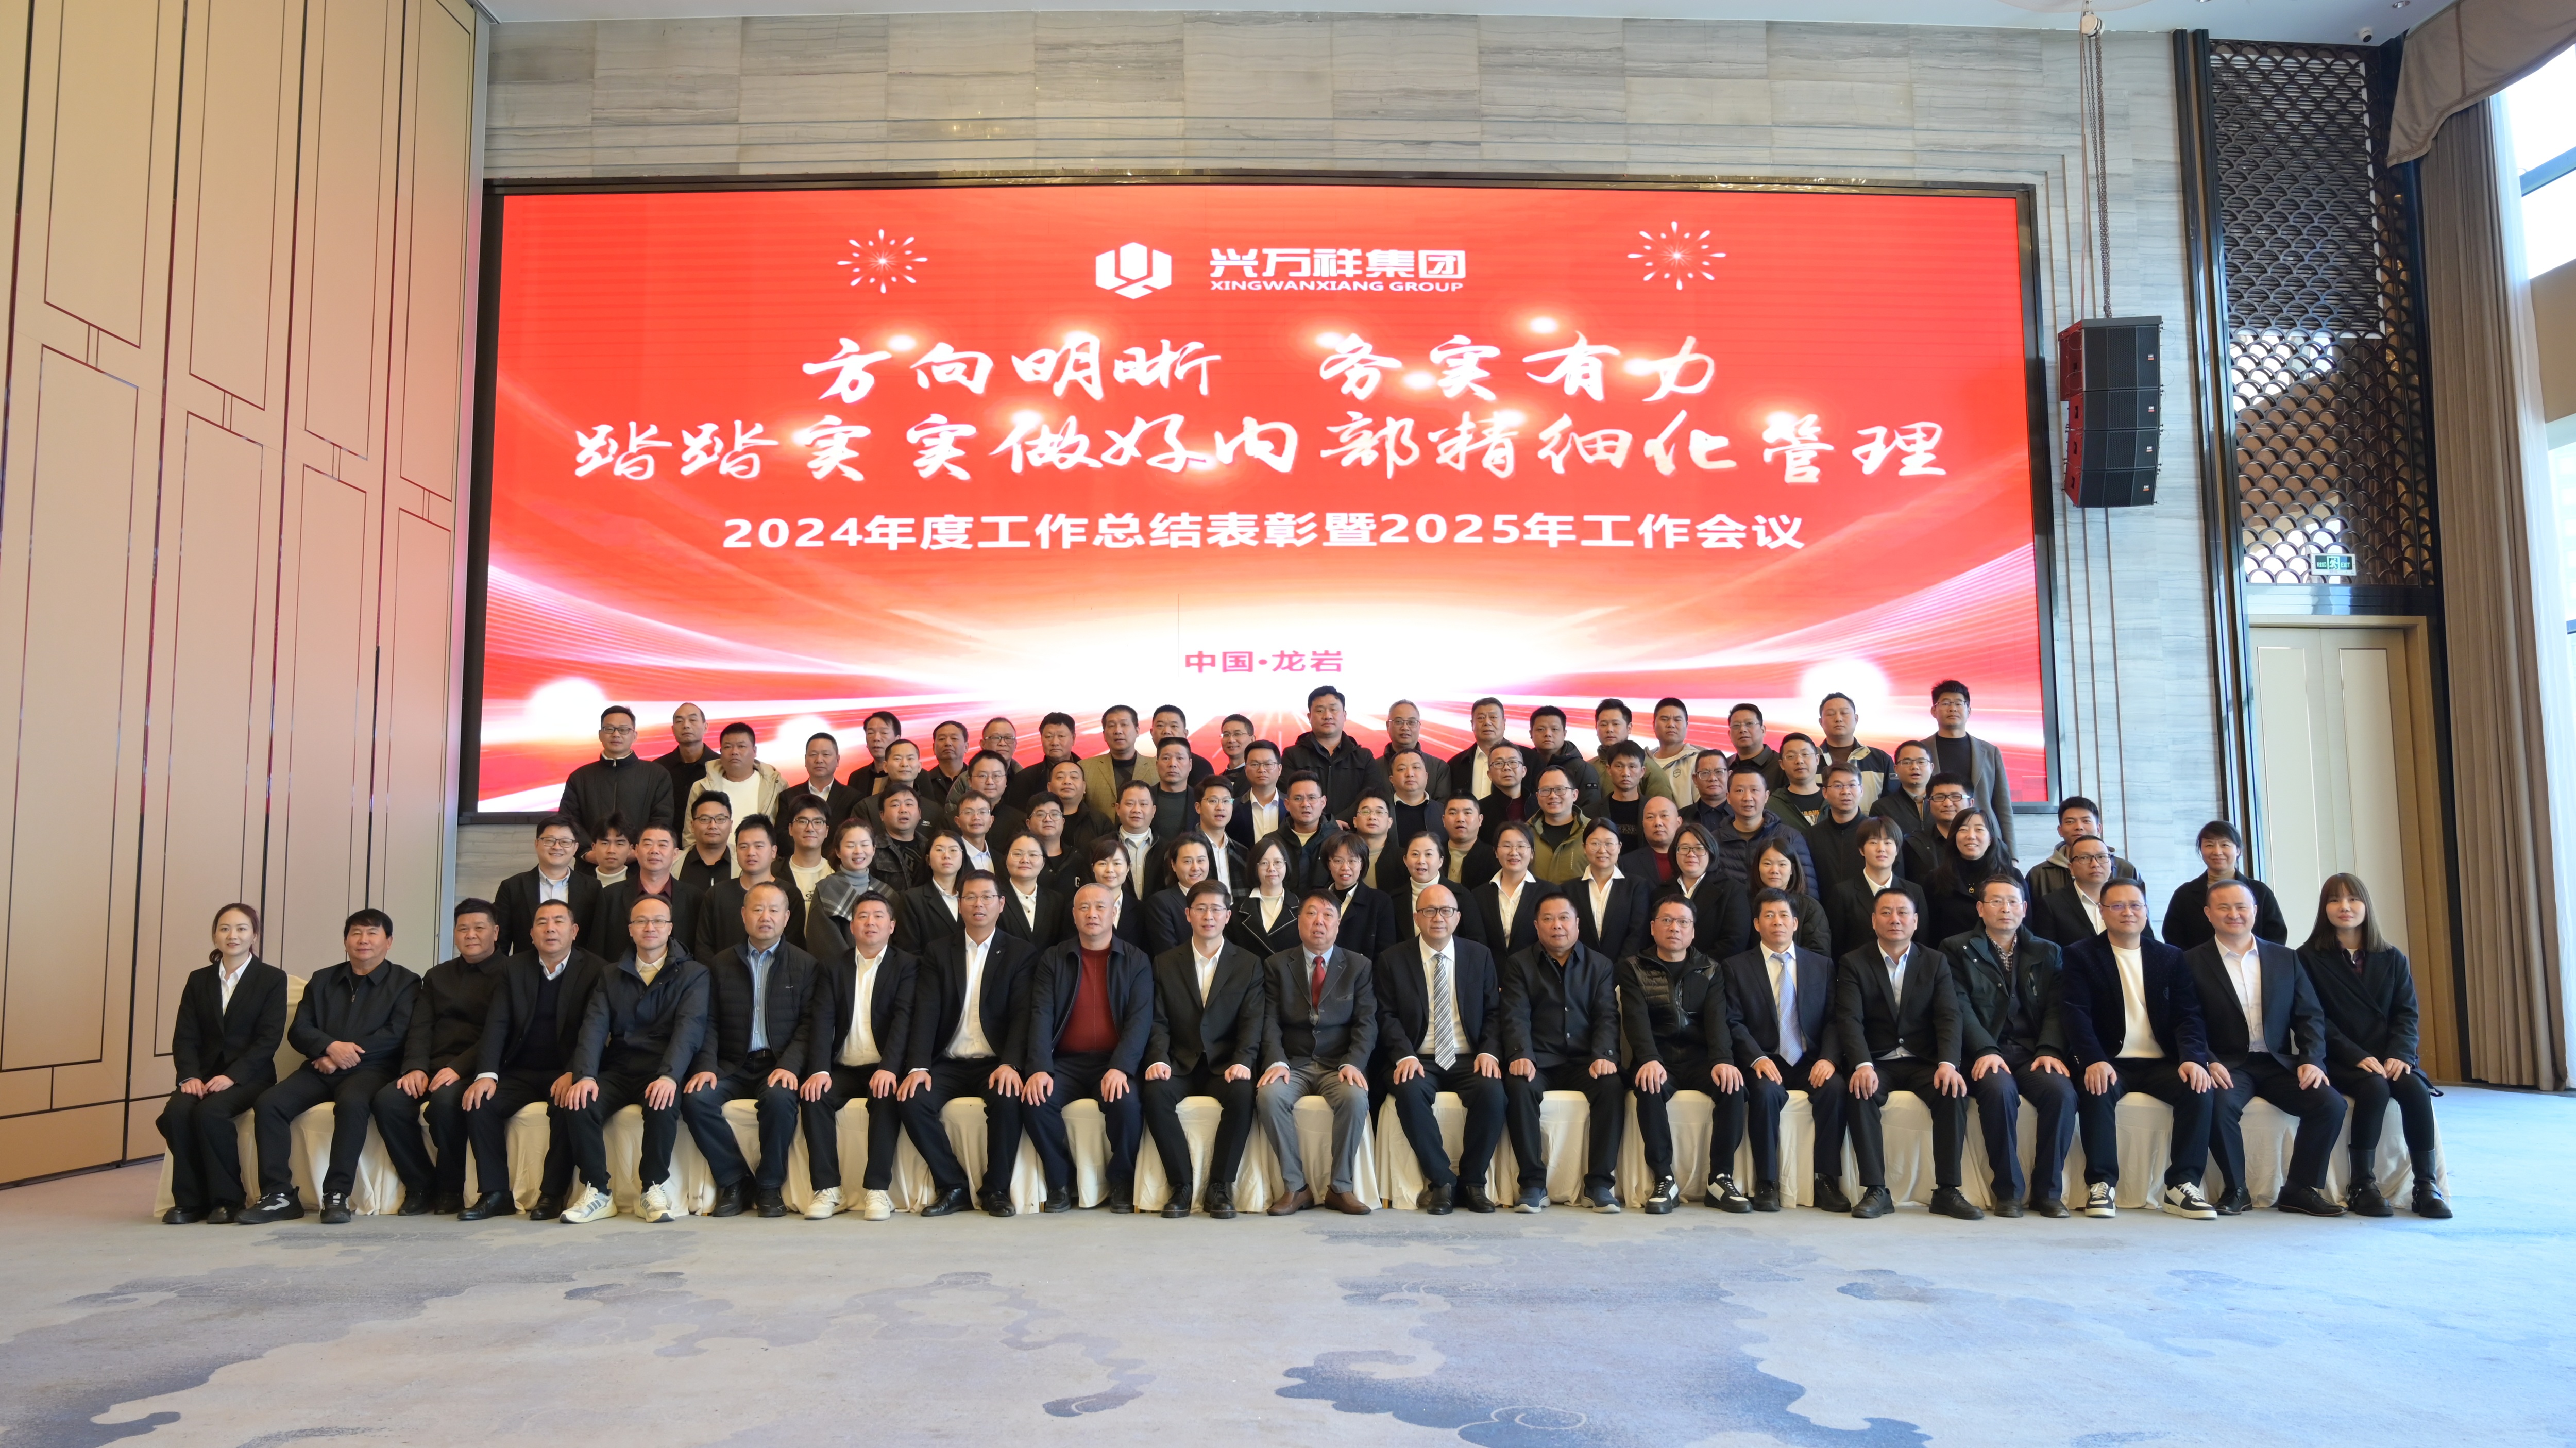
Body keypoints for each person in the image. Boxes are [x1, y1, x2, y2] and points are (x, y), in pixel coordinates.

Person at [238, 910, 421, 1224]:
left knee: (352, 1103)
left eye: (372, 933)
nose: (363, 940)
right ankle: (279, 1195)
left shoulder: (406, 982)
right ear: (346, 941)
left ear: (389, 942)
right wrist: (328, 1048)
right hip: (320, 1067)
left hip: (373, 1069)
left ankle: (337, 1193)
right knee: (270, 1104)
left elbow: (397, 1033)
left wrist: (341, 1054)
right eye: (356, 933)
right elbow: (299, 1029)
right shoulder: (323, 979)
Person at [2182, 879, 2347, 1217]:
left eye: (2241, 907)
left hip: (2277, 1062)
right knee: (2217, 1104)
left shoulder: (2285, 958)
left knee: (2330, 1104)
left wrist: (2312, 1059)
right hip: (2227, 1064)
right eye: (2224, 907)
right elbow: (2186, 1021)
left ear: (2255, 911)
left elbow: (2310, 1016)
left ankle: (2299, 1189)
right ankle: (2236, 1189)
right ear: (2208, 913)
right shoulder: (2190, 962)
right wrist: (2207, 1061)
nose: (2234, 914)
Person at [2059, 880, 2219, 1221]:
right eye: (2117, 905)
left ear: (2146, 911)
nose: (2128, 912)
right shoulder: (2080, 955)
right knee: (2096, 1087)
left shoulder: (2170, 957)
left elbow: (2188, 1016)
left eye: (2135, 905)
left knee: (2199, 1088)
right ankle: (2101, 1183)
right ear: (2102, 912)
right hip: (2110, 1060)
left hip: (2161, 1062)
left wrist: (2193, 1059)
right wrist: (2093, 1060)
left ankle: (2182, 1185)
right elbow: (2076, 1014)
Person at [2298, 872, 2449, 1218]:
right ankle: (2362, 1184)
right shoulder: (2307, 957)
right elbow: (2314, 1018)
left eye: (2353, 899)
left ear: (2366, 906)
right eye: (2334, 900)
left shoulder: (2392, 956)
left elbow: (2406, 1014)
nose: (2345, 907)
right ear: (2324, 909)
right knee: (2375, 1088)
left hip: (2389, 1054)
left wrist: (2401, 1054)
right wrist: (2356, 1055)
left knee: (2414, 1088)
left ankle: (2426, 1185)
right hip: (2341, 1057)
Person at [1831, 889, 1981, 1221]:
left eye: (1902, 913)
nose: (1895, 919)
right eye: (1886, 912)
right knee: (1859, 1090)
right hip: (1877, 1061)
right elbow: (1849, 1019)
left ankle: (1947, 1190)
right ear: (1874, 921)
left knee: (1953, 1091)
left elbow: (1949, 1016)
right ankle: (1876, 1190)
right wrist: (1862, 1064)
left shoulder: (1935, 961)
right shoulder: (1854, 962)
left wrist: (1948, 1063)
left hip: (1923, 1060)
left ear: (1915, 921)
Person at [557, 899, 710, 1225]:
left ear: (670, 928)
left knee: (663, 1103)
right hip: (620, 1067)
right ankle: (597, 1191)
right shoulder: (611, 974)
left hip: (662, 1068)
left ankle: (652, 1188)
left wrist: (670, 1076)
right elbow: (594, 1028)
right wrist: (585, 1076)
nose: (650, 927)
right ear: (630, 929)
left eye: (658, 921)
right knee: (580, 1102)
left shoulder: (694, 974)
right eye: (641, 921)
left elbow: (689, 1029)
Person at [459, 897, 611, 1222]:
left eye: (558, 922)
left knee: (568, 1106)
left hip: (564, 1069)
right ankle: (495, 1193)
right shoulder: (513, 968)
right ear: (531, 934)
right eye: (542, 923)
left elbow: (594, 1030)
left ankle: (552, 1195)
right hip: (520, 1069)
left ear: (574, 931)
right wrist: (486, 1074)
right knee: (480, 1102)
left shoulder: (596, 970)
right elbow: (497, 1024)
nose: (550, 929)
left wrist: (575, 1072)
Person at [901, 872, 1041, 1216]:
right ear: (959, 904)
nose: (979, 904)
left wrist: (1011, 1064)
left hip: (995, 1062)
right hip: (948, 1061)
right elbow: (926, 1012)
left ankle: (996, 1190)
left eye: (987, 897)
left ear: (1001, 904)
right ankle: (953, 1186)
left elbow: (1023, 1016)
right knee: (912, 1099)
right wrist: (918, 1065)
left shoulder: (1020, 953)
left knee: (1009, 1098)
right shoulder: (938, 952)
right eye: (971, 898)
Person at [1940, 876, 2077, 1218]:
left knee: (2061, 1093)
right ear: (1980, 908)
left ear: (2024, 908)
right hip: (1986, 1051)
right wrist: (1984, 1049)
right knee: (1999, 1092)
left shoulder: (2048, 951)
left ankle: (2048, 1192)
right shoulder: (1956, 949)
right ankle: (2008, 1191)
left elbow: (2057, 1008)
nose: (2006, 909)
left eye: (2013, 902)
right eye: (1997, 901)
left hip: (2033, 1052)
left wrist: (2049, 1049)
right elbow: (1958, 1007)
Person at [681, 881, 818, 1218]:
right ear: (744, 915)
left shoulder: (805, 964)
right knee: (696, 1100)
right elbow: (709, 1022)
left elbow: (809, 1025)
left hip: (777, 1064)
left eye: (773, 910)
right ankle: (734, 1180)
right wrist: (706, 1066)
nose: (765, 917)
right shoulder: (721, 963)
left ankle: (769, 1186)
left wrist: (790, 1065)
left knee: (780, 1100)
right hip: (731, 1065)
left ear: (787, 918)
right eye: (757, 909)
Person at [1022, 881, 1155, 1213]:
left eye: (1100, 907)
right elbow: (1040, 1015)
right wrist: (1039, 1068)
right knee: (1036, 1101)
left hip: (1112, 1063)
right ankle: (1060, 1181)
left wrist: (1121, 1067)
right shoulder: (1054, 958)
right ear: (1074, 915)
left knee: (1126, 1103)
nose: (1092, 914)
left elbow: (1140, 1021)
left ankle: (1122, 1181)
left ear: (1114, 912)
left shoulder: (1136, 959)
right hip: (1065, 1062)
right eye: (1084, 907)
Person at [1375, 883, 1506, 1215]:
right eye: (1430, 911)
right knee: (1408, 1092)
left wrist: (1488, 1052)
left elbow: (1494, 1012)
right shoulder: (1393, 959)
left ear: (1457, 918)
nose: (1438, 918)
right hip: (1418, 1056)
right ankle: (1442, 1182)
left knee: (1493, 1093)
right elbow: (1385, 1015)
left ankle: (1473, 1183)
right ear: (1417, 917)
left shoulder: (1479, 956)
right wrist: (1404, 1054)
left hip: (1468, 1056)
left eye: (1446, 911)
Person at [372, 900, 510, 1216]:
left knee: (446, 1103)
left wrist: (458, 1068)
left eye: (479, 928)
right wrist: (415, 1067)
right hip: (433, 1065)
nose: (470, 935)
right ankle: (420, 1185)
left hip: (478, 1067)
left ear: (495, 932)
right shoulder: (437, 975)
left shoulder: (511, 973)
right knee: (388, 1102)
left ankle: (450, 1189)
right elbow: (420, 1027)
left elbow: (501, 1032)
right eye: (463, 929)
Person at [1142, 879, 1266, 1218]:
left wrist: (1243, 1060)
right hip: (1179, 1063)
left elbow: (1252, 1021)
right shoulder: (1165, 963)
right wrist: (1158, 1059)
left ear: (1228, 916)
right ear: (1188, 915)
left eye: (1215, 909)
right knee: (1154, 1092)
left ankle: (1220, 1187)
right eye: (1201, 909)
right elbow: (1158, 1020)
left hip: (1225, 1065)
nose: (1208, 916)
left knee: (1243, 1093)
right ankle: (1180, 1186)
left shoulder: (1248, 964)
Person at [157, 904, 287, 1223]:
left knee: (211, 1112)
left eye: (242, 929)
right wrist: (189, 1076)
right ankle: (190, 1201)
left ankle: (227, 1200)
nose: (233, 935)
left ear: (254, 935)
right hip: (202, 1075)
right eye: (225, 928)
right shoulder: (198, 980)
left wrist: (232, 1076)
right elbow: (185, 1036)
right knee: (176, 1113)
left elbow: (267, 1040)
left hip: (249, 1076)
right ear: (215, 935)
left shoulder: (271, 979)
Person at [1721, 889, 1849, 1212]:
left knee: (1835, 1089)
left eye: (1783, 916)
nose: (1777, 922)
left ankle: (1826, 1180)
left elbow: (1835, 1019)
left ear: (1795, 923)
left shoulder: (1821, 965)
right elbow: (1733, 1021)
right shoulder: (1736, 967)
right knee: (1764, 1094)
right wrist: (1757, 1057)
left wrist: (1829, 1059)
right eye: (1769, 916)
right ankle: (1767, 1182)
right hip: (1766, 1059)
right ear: (1757, 924)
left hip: (1810, 1059)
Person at [1498, 890, 1624, 1212]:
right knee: (1518, 1086)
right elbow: (1515, 1015)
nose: (1557, 926)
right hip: (1539, 1060)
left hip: (1585, 1062)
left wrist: (1604, 1055)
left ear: (1577, 924)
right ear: (1537, 925)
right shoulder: (1519, 964)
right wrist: (1520, 1054)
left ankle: (1599, 1185)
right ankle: (1532, 1184)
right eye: (1549, 919)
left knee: (1612, 1086)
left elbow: (1607, 1016)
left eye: (1564, 918)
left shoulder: (1600, 965)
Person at [1620, 894, 1747, 1214]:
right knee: (1648, 1087)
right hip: (1658, 1058)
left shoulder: (1711, 969)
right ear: (1653, 928)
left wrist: (1722, 1060)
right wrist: (1649, 1058)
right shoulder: (1633, 967)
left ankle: (1720, 1179)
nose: (1674, 928)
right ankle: (1664, 1178)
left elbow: (1717, 1020)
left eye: (1683, 922)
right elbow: (1636, 1020)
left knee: (1733, 1087)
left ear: (1693, 931)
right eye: (1667, 920)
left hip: (1699, 1059)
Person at [1256, 891, 1377, 1216]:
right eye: (1311, 914)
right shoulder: (1277, 965)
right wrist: (1277, 1060)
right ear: (1299, 922)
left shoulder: (1359, 966)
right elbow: (1269, 1021)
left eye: (1327, 916)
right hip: (1292, 1063)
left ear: (1338, 924)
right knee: (1269, 1096)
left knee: (1355, 1098)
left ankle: (1341, 1187)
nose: (1319, 922)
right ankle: (1296, 1188)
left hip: (1338, 1065)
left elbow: (1366, 1023)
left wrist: (1354, 1063)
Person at [797, 891, 914, 1222]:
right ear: (852, 926)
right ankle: (827, 1189)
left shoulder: (907, 965)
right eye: (863, 916)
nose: (870, 923)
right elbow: (822, 1021)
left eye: (878, 916)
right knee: (814, 1095)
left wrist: (890, 1068)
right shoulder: (833, 966)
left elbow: (904, 1020)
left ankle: (877, 1190)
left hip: (883, 1067)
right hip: (844, 1067)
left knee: (887, 1096)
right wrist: (819, 1070)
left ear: (892, 926)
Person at [1909, 680, 2015, 854]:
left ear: (1969, 711)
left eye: (1959, 703)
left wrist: (2012, 855)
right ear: (1934, 711)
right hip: (1936, 840)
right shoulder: (1919, 752)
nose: (1953, 708)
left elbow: (2003, 807)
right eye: (1946, 703)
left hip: (1983, 841)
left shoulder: (1990, 752)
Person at [2161, 820, 2290, 949]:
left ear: (2238, 850)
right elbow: (2173, 940)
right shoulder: (2185, 895)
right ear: (2201, 850)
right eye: (2209, 845)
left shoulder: (2260, 891)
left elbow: (2276, 937)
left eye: (2225, 845)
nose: (2217, 852)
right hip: (2199, 962)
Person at [696, 815, 808, 962]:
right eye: (744, 847)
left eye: (759, 846)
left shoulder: (790, 895)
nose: (751, 853)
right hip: (721, 974)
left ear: (774, 851)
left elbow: (794, 949)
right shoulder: (717, 894)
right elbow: (704, 947)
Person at [560, 705, 676, 842]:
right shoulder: (580, 778)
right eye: (609, 729)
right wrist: (589, 850)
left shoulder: (657, 775)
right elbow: (569, 822)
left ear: (635, 736)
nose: (616, 734)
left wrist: (639, 849)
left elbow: (662, 821)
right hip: (592, 854)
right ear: (600, 735)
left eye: (623, 730)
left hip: (640, 855)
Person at [495, 814, 600, 956]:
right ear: (537, 844)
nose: (557, 847)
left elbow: (596, 940)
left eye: (565, 842)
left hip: (579, 968)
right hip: (525, 968)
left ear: (575, 848)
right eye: (550, 841)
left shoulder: (592, 888)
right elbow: (501, 942)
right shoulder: (512, 887)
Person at [1708, 763, 1818, 899]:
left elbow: (1808, 894)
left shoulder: (1790, 837)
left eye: (1755, 790)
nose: (1747, 798)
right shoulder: (1714, 841)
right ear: (1728, 797)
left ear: (1766, 796)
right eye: (1740, 791)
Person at [1825, 818, 1927, 959]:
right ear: (1862, 850)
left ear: (1897, 850)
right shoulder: (1843, 893)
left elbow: (1923, 943)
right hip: (1858, 970)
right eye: (1873, 842)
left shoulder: (1914, 891)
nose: (1881, 849)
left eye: (1888, 842)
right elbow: (1836, 946)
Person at [1282, 685, 1388, 820]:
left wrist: (1337, 823)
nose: (1327, 716)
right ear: (1309, 717)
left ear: (1344, 715)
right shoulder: (1292, 756)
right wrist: (1327, 824)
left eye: (1333, 710)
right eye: (1320, 710)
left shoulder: (1364, 757)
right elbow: (1290, 797)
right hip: (1308, 829)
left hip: (1352, 830)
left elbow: (1370, 798)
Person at [595, 822, 701, 954]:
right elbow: (597, 948)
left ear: (675, 854)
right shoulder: (610, 896)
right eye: (648, 844)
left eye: (662, 845)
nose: (654, 851)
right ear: (637, 851)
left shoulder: (694, 898)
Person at [1923, 805, 2021, 946]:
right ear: (1954, 837)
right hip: (1952, 956)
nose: (1971, 836)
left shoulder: (2012, 877)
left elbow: (2025, 927)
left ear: (1991, 839)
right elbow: (1930, 933)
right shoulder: (1935, 880)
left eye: (1979, 830)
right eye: (1963, 830)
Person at [2024, 796, 2144, 902]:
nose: (2079, 827)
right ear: (2060, 830)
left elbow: (2141, 913)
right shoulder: (2039, 875)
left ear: (2099, 828)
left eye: (2086, 821)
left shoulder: (2126, 870)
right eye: (2070, 822)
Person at [1569, 817, 1652, 964]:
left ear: (1619, 847)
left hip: (1626, 971)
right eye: (1595, 843)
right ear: (1584, 847)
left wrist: (1620, 971)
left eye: (1609, 843)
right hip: (1579, 969)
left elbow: (1638, 934)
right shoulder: (1569, 890)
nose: (1602, 850)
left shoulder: (1636, 887)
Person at [805, 817, 888, 958]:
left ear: (874, 849)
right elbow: (822, 944)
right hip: (840, 970)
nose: (858, 851)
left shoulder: (887, 893)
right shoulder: (826, 890)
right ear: (838, 852)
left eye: (865, 845)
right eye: (850, 846)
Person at [683, 721, 786, 828]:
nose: (734, 752)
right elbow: (691, 833)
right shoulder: (701, 788)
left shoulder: (777, 785)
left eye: (741, 746)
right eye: (728, 747)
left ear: (755, 751)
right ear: (720, 752)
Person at [2032, 834, 2123, 948]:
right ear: (2071, 868)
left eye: (2101, 857)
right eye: (2084, 858)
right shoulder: (2051, 905)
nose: (2095, 864)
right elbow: (2047, 954)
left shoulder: (2128, 899)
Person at [1747, 838, 1834, 958]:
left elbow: (1819, 954)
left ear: (1792, 869)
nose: (1774, 871)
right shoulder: (1745, 904)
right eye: (1767, 864)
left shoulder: (1809, 907)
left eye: (1782, 864)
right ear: (1758, 867)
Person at [1667, 823, 1742, 959]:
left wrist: (1697, 967)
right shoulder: (1662, 892)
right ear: (1675, 852)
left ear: (1711, 852)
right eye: (1684, 848)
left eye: (1699, 848)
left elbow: (1734, 942)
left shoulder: (1732, 890)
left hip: (1715, 969)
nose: (1691, 854)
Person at [1470, 822, 1546, 958]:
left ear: (1532, 853)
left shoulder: (1548, 893)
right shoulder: (1479, 895)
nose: (1514, 852)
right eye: (1506, 846)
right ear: (1496, 852)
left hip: (1534, 969)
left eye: (1521, 846)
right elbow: (1477, 941)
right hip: (1491, 969)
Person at [1321, 833, 1399, 962]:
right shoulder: (1316, 900)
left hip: (1362, 974)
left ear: (1362, 864)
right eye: (1338, 861)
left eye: (1352, 861)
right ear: (1329, 864)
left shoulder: (1380, 902)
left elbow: (1385, 955)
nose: (1345, 868)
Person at [1816, 692, 1895, 815]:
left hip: (1872, 827)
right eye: (1831, 714)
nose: (1838, 719)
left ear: (1856, 719)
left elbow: (1893, 804)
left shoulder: (1881, 759)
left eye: (1844, 713)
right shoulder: (1810, 761)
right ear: (1821, 722)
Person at [1261, 773, 1341, 894]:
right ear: (1287, 804)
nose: (1305, 804)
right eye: (1298, 799)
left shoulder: (1340, 841)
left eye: (1312, 798)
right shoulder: (1271, 843)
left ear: (1323, 802)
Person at [892, 831, 968, 957]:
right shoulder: (912, 899)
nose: (946, 856)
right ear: (928, 859)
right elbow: (909, 953)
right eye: (939, 850)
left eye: (953, 850)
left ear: (963, 857)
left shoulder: (974, 897)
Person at [1803, 764, 1873, 900]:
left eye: (1852, 785)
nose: (1846, 791)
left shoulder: (1876, 833)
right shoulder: (1810, 837)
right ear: (1825, 792)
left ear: (1862, 790)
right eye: (1838, 786)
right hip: (1823, 909)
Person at [1591, 699, 1679, 807]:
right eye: (1604, 724)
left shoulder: (1648, 768)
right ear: (1596, 728)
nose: (1610, 729)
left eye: (1616, 724)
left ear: (1629, 728)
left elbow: (1663, 810)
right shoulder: (1589, 768)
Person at [1229, 836, 1302, 958]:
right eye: (1264, 863)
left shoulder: (1303, 909)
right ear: (1255, 867)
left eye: (1278, 862)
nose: (1271, 869)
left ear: (1286, 865)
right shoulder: (1235, 913)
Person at [1146, 835, 1217, 955]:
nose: (1195, 868)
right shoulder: (1161, 903)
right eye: (1188, 861)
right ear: (1173, 865)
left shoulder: (1219, 899)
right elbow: (1167, 954)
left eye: (1201, 861)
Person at [1526, 705, 1604, 816]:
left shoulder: (1582, 769)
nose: (1548, 734)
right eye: (1541, 729)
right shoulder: (1524, 766)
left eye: (1555, 729)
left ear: (1564, 734)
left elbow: (1591, 811)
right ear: (1531, 734)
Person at [1078, 704, 1147, 822]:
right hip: (1098, 834)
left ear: (1137, 731)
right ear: (1104, 735)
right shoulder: (1084, 768)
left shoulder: (1157, 767)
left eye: (1124, 724)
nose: (1118, 731)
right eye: (1112, 726)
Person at [998, 833, 1069, 949]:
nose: (1025, 860)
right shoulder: (994, 898)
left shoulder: (1056, 901)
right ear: (1006, 861)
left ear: (1043, 863)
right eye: (1018, 854)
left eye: (1033, 855)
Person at [1900, 774, 1973, 885]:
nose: (1948, 804)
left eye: (1956, 797)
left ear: (1971, 803)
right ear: (1929, 804)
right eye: (1939, 797)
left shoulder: (1986, 843)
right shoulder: (1913, 846)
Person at [1526, 767, 1590, 883]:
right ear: (1538, 796)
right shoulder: (1524, 834)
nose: (1553, 796)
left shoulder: (1594, 832)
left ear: (1575, 795)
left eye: (1560, 789)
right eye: (1545, 790)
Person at [1002, 711, 1078, 808]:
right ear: (1041, 739)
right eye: (1049, 737)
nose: (1055, 742)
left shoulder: (1088, 773)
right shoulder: (1024, 779)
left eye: (1061, 736)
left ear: (1073, 739)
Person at [1447, 697, 1515, 804]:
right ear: (1472, 724)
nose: (1487, 722)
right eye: (1481, 718)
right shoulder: (1455, 765)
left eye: (1493, 717)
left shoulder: (1528, 759)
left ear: (1504, 723)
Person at [1383, 700, 1453, 799]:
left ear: (1420, 727)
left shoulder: (1439, 768)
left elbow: (1442, 805)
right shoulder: (1373, 767)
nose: (1405, 728)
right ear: (1388, 726)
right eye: (1399, 722)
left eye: (1411, 722)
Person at [789, 732, 860, 829]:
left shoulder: (853, 798)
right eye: (813, 755)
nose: (819, 760)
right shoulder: (788, 796)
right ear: (805, 760)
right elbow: (783, 833)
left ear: (838, 760)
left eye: (826, 754)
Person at [1226, 740, 1287, 850]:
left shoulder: (1292, 807)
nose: (1262, 770)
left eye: (1268, 764)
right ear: (1246, 770)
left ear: (1279, 769)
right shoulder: (1232, 809)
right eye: (1255, 764)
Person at [1870, 740, 1936, 839]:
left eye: (1921, 762)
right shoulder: (1882, 808)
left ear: (1931, 767)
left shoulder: (1945, 803)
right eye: (1907, 763)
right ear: (1896, 769)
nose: (1915, 767)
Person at [1383, 749, 1440, 860]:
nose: (1410, 774)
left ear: (1426, 776)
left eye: (1416, 767)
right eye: (1402, 769)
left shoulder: (1443, 812)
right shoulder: (1381, 812)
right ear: (1392, 779)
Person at [779, 797, 836, 909]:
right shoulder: (773, 872)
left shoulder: (837, 872)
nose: (810, 828)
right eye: (802, 821)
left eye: (818, 822)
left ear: (827, 831)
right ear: (790, 829)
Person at [1617, 795, 1684, 887]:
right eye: (1650, 817)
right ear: (1643, 824)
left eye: (1664, 816)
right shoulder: (1626, 864)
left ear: (1679, 822)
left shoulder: (1693, 858)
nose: (1658, 823)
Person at [1439, 794, 1500, 890]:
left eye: (1467, 813)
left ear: (1480, 820)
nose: (1460, 819)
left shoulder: (1495, 858)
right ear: (1444, 820)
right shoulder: (1434, 853)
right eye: (1453, 813)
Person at [1767, 734, 1828, 830]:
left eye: (1805, 754)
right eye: (1791, 756)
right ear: (1782, 764)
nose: (1799, 761)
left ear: (1817, 759)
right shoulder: (1772, 806)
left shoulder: (1834, 798)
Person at [654, 703, 714, 802]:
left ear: (705, 727)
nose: (686, 725)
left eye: (693, 720)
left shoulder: (721, 765)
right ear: (673, 730)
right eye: (679, 721)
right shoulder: (658, 768)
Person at [677, 795, 737, 891]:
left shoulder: (743, 865)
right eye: (705, 819)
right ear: (692, 826)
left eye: (721, 819)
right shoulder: (674, 864)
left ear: (731, 825)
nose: (713, 826)